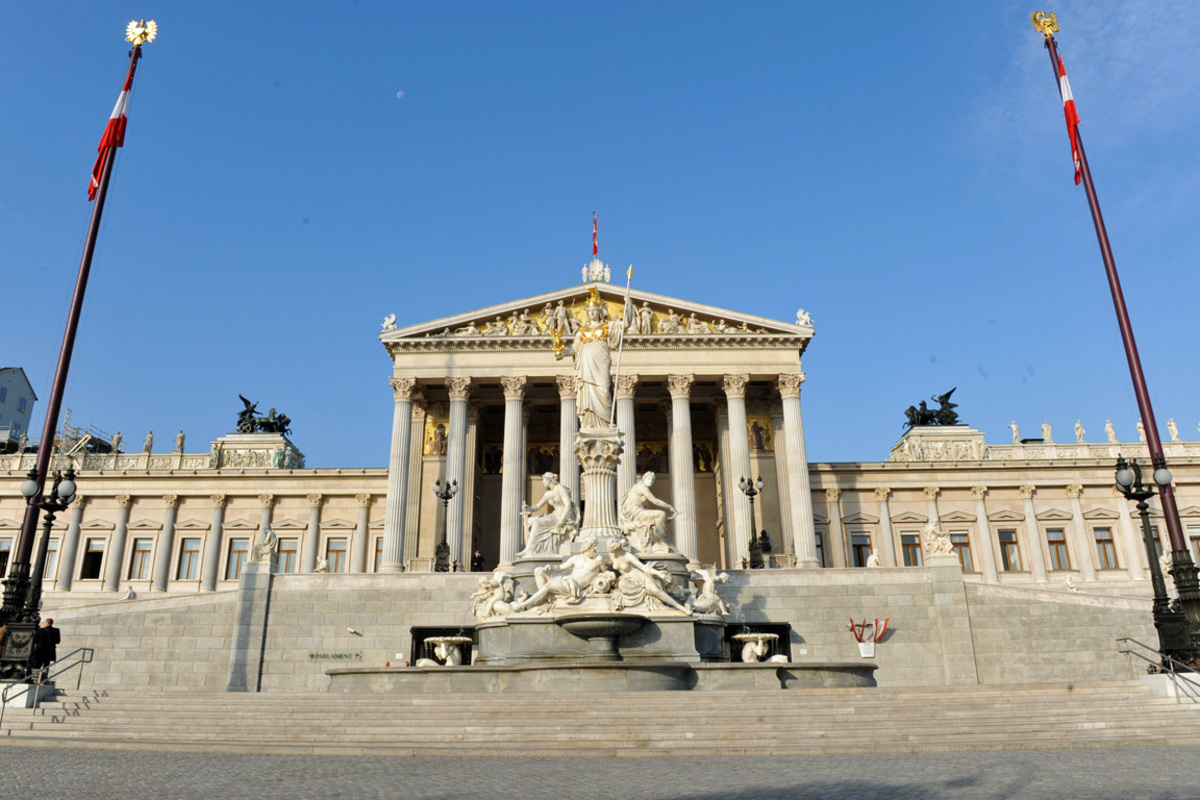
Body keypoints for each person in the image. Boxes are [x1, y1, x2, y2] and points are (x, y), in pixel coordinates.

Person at [566, 287, 621, 429]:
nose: (592, 313)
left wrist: (629, 306)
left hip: (601, 365)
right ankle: (589, 423)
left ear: (600, 311)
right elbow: (574, 349)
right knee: (588, 393)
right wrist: (562, 352)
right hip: (586, 367)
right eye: (589, 311)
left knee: (604, 391)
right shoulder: (581, 331)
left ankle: (606, 422)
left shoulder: (607, 327)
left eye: (595, 310)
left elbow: (625, 324)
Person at [518, 473, 579, 557]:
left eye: (544, 480)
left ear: (549, 480)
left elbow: (568, 505)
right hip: (555, 516)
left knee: (537, 522)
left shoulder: (560, 489)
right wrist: (528, 508)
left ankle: (529, 550)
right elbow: (537, 507)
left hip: (564, 517)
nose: (542, 482)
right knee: (530, 521)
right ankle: (533, 548)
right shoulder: (548, 494)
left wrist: (562, 519)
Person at [620, 472, 676, 552]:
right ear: (644, 479)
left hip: (637, 512)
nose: (651, 481)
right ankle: (664, 541)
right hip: (635, 513)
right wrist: (669, 506)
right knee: (661, 514)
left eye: (653, 480)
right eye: (649, 479)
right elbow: (655, 501)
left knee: (659, 518)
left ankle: (662, 541)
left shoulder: (638, 487)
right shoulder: (641, 486)